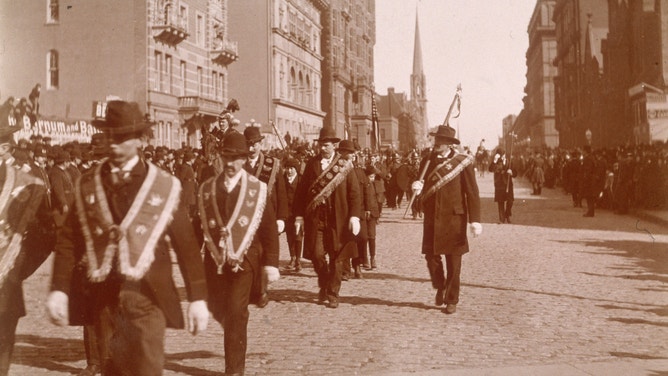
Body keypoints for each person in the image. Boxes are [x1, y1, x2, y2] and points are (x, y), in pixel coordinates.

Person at [46, 100, 209, 375]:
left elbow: (187, 246)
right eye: (110, 136)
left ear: (138, 140)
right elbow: (69, 239)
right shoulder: (88, 183)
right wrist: (59, 288)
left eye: (122, 138)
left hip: (148, 296)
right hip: (104, 297)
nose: (114, 145)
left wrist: (198, 298)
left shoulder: (163, 184)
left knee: (145, 369)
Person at [197, 131, 279, 375]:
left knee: (235, 312)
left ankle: (234, 369)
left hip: (245, 262)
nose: (230, 163)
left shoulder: (257, 190)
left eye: (236, 158)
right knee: (217, 307)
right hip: (215, 262)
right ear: (221, 157)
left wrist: (271, 263)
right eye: (226, 157)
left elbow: (268, 229)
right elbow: (197, 225)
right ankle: (235, 332)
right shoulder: (208, 188)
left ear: (244, 159)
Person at [0, 121, 54, 376]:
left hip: (5, 285)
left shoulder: (26, 185)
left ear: (5, 148)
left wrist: (17, 268)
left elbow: (46, 236)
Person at [412, 124, 482, 315]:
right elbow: (422, 188)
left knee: (453, 261)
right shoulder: (427, 161)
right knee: (431, 257)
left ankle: (451, 299)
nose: (436, 143)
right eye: (436, 139)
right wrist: (416, 188)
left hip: (454, 218)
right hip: (433, 217)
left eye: (440, 141)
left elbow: (472, 192)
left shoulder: (463, 162)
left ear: (449, 144)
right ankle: (440, 285)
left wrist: (475, 220)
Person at [293, 127, 361, 309]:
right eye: (322, 145)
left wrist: (355, 216)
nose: (324, 148)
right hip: (317, 219)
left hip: (339, 218)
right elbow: (301, 192)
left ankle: (333, 293)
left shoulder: (344, 165)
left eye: (327, 145)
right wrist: (299, 216)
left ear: (334, 146)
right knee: (316, 255)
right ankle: (324, 282)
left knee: (337, 257)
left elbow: (354, 193)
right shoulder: (311, 164)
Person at [243, 125, 288, 306]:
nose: (251, 148)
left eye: (254, 144)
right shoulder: (239, 165)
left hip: (268, 217)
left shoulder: (272, 164)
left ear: (260, 144)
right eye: (248, 145)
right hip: (245, 216)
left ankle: (261, 291)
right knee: (250, 254)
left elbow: (281, 193)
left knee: (263, 252)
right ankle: (252, 289)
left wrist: (281, 218)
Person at [283, 157, 303, 272]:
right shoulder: (282, 179)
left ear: (296, 169)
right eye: (287, 168)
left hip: (298, 213)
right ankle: (292, 257)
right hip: (287, 213)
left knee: (298, 236)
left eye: (292, 168)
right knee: (290, 236)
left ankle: (298, 260)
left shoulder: (301, 180)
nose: (289, 171)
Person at [488, 148, 517, 223]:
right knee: (500, 202)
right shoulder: (496, 162)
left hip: (508, 184)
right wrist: (494, 160)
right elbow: (490, 169)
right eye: (500, 155)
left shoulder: (509, 162)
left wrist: (512, 172)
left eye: (503, 155)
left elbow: (515, 172)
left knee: (510, 201)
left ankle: (507, 214)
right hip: (499, 184)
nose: (502, 157)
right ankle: (502, 219)